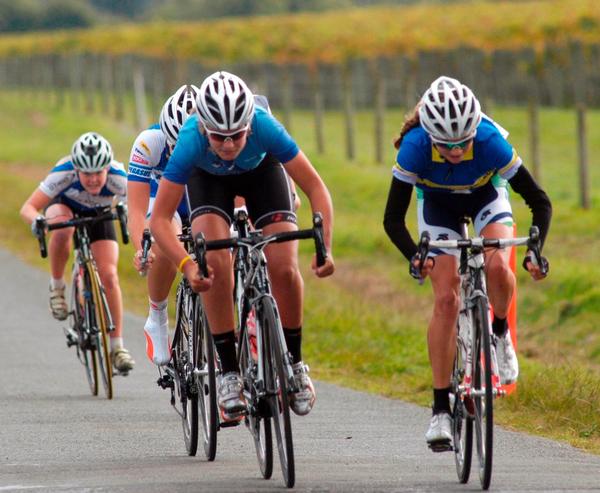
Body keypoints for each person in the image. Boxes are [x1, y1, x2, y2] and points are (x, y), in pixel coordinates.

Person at [150, 71, 335, 422]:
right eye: (219, 136)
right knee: (215, 265)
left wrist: (325, 247)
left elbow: (316, 188)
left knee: (284, 266)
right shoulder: (191, 141)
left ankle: (295, 364)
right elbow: (160, 220)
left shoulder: (265, 126)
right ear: (204, 128)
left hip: (262, 172)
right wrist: (187, 265)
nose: (230, 144)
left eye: (237, 134)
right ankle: (231, 373)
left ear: (249, 125)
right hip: (208, 181)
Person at [383, 76, 551, 449]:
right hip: (438, 208)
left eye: (463, 142)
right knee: (446, 299)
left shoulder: (491, 141)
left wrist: (533, 250)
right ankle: (440, 408)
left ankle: (501, 332)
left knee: (496, 265)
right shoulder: (414, 147)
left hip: (485, 198)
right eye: (447, 145)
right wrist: (415, 254)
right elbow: (392, 220)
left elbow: (540, 202)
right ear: (430, 137)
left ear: (475, 130)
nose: (457, 150)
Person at [20, 132, 135, 373]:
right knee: (63, 229)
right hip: (65, 209)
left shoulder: (119, 177)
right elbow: (28, 207)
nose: (93, 179)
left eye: (98, 173)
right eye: (87, 174)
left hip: (100, 214)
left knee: (110, 275)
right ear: (76, 169)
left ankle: (117, 347)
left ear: (107, 168)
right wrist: (39, 221)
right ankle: (57, 287)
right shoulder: (63, 172)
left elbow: (137, 211)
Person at [127, 84, 199, 366]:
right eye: (174, 146)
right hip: (163, 200)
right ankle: (157, 316)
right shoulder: (149, 142)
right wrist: (141, 249)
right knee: (163, 237)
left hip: (200, 197)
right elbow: (135, 208)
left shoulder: (217, 138)